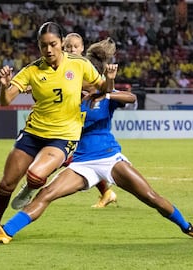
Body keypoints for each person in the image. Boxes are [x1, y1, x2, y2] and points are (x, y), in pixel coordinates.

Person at [0, 37, 193, 244]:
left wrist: (105, 91)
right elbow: (44, 89)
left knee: (151, 197)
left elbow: (131, 97)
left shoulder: (104, 96)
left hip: (110, 158)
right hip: (81, 164)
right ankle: (6, 231)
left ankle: (187, 227)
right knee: (46, 194)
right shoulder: (68, 100)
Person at [0, 22, 118, 239]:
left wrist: (108, 80)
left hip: (64, 136)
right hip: (33, 133)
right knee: (6, 183)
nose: (49, 50)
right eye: (44, 46)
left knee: (35, 175)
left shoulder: (80, 64)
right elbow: (6, 101)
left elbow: (104, 89)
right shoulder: (32, 70)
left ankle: (32, 186)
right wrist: (4, 86)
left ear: (61, 43)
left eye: (53, 44)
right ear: (39, 46)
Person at [63, 32, 117, 208]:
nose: (71, 50)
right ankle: (106, 192)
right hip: (74, 119)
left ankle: (35, 185)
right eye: (68, 47)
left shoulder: (84, 67)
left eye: (75, 47)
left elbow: (97, 88)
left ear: (82, 48)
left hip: (82, 119)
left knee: (68, 156)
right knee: (70, 156)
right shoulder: (69, 64)